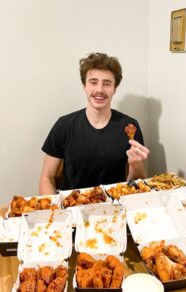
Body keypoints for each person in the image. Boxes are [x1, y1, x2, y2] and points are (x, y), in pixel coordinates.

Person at [39, 52, 150, 195]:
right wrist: (53, 211)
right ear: (84, 86)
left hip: (115, 206)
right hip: (73, 207)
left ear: (114, 89)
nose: (99, 90)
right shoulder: (64, 125)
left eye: (107, 83)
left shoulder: (130, 127)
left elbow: (136, 182)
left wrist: (136, 163)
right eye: (93, 82)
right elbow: (47, 177)